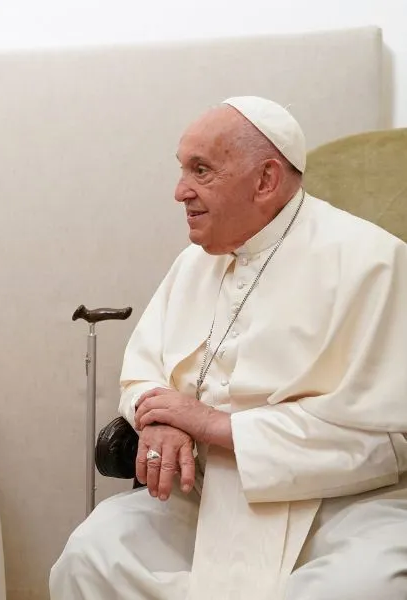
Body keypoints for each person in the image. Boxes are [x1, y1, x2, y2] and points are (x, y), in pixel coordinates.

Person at [49, 96, 407, 599]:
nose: (179, 192)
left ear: (265, 180)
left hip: (340, 505)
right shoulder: (194, 264)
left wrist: (212, 424)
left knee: (363, 585)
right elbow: (142, 373)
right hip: (208, 495)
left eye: (201, 171)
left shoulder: (375, 262)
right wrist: (160, 420)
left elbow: (387, 443)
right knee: (92, 555)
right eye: (181, 170)